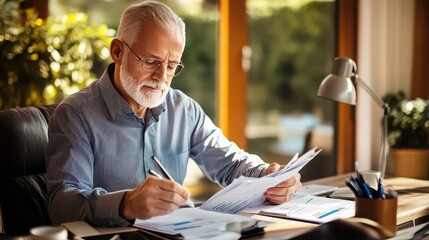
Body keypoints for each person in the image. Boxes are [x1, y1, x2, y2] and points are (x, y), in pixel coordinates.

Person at [45, 1, 302, 227]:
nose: (161, 78)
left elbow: (231, 162)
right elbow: (61, 204)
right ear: (118, 52)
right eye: (151, 61)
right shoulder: (75, 114)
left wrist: (268, 176)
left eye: (171, 66)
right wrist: (126, 203)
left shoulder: (183, 108)